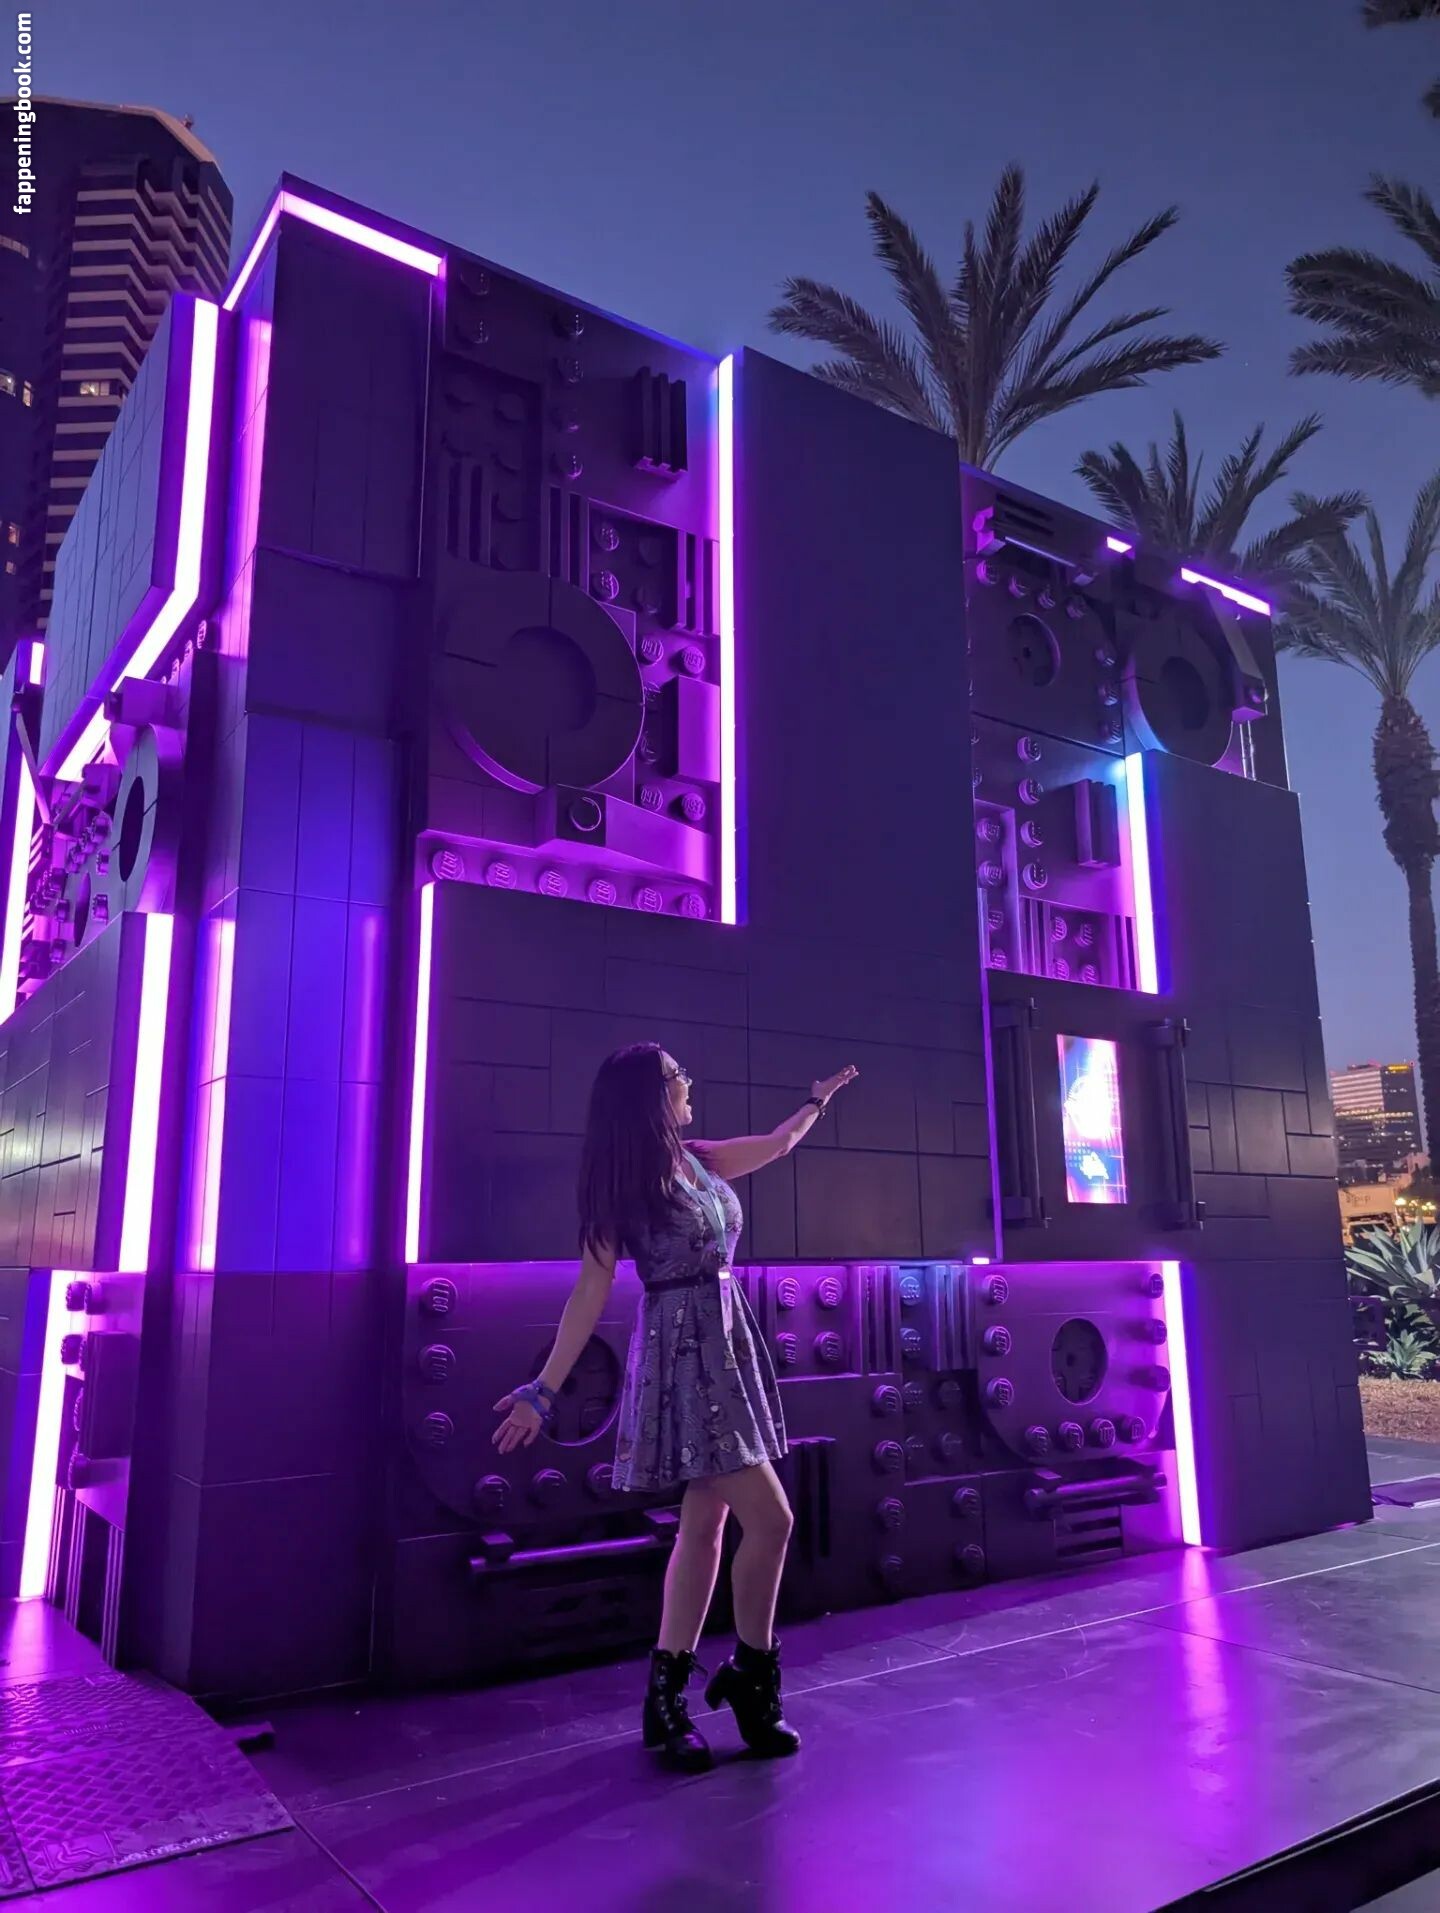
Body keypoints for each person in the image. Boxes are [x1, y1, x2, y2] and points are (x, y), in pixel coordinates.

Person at [492, 1043, 858, 1773]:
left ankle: (666, 1701)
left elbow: (779, 1144)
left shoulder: (699, 1158)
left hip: (726, 1341)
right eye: (675, 1075)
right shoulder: (626, 1185)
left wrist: (816, 1101)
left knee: (705, 1529)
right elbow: (589, 1292)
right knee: (773, 1520)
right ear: (648, 1096)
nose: (688, 1081)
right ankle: (752, 1680)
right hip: (683, 1358)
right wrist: (542, 1391)